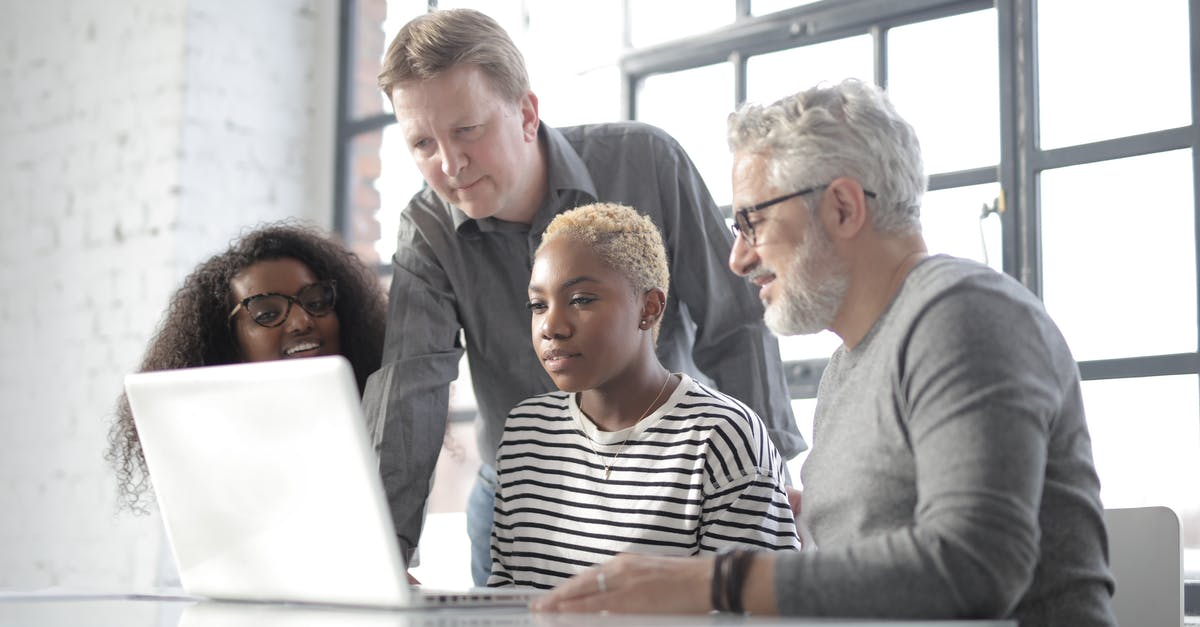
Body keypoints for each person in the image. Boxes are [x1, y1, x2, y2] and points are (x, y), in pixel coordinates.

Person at [531, 80, 1117, 626]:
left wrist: (711, 581)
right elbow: (885, 542)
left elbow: (973, 565)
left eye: (751, 223)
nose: (737, 259)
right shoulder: (851, 363)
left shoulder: (965, 314)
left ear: (842, 207)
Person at [368, 7, 805, 586]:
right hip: (522, 498)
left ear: (526, 113)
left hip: (663, 487)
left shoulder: (646, 161)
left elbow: (735, 323)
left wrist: (768, 478)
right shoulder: (428, 226)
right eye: (422, 143)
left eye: (467, 130)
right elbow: (410, 390)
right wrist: (384, 555)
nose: (449, 164)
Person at [489, 203, 800, 589]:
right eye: (538, 305)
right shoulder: (525, 432)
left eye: (581, 299)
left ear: (649, 309)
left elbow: (759, 609)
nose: (551, 326)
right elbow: (504, 594)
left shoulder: (720, 437)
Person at [106, 222, 387, 513]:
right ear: (230, 342)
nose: (302, 321)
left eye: (316, 302)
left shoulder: (386, 424)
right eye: (268, 313)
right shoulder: (212, 451)